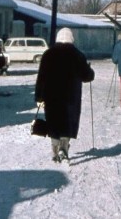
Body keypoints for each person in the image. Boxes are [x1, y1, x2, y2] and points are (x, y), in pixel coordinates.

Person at [34, 27, 95, 163]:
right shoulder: (77, 55)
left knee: (53, 123)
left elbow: (41, 78)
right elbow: (87, 76)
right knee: (68, 122)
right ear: (71, 38)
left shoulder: (48, 54)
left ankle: (55, 150)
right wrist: (90, 70)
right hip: (71, 98)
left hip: (52, 98)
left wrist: (39, 97)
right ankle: (64, 147)